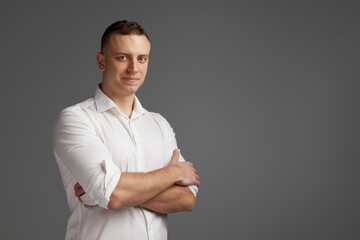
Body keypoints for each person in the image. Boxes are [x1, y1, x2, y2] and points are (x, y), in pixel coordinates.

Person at [53, 20, 199, 240]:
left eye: (142, 59)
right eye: (123, 57)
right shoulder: (76, 119)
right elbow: (113, 195)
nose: (134, 68)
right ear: (101, 61)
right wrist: (173, 173)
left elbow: (187, 199)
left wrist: (104, 192)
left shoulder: (159, 124)